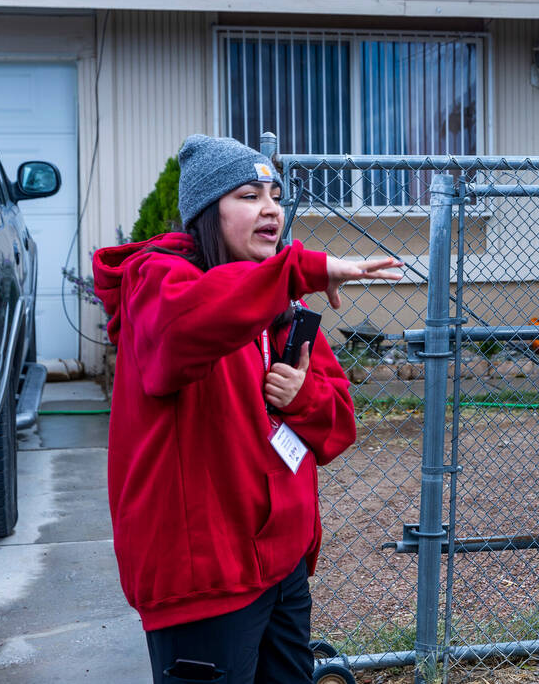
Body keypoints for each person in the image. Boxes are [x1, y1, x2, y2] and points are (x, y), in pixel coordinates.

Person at [93, 134, 404, 683]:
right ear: (207, 214)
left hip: (282, 571)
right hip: (206, 585)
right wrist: (295, 270)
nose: (270, 209)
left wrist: (301, 397)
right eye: (247, 195)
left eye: (276, 195)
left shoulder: (281, 301)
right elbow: (185, 329)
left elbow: (339, 428)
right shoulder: (159, 282)